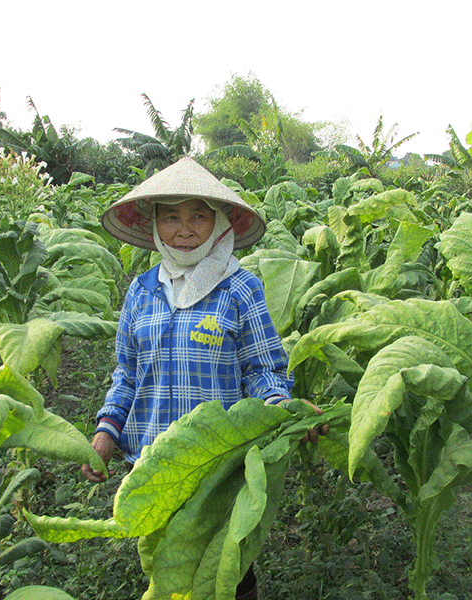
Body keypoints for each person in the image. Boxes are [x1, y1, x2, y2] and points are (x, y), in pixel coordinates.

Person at [81, 156, 323, 600]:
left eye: (198, 215)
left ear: (219, 223)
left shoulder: (240, 288)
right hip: (152, 459)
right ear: (154, 224)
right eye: (171, 216)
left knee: (225, 568)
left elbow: (263, 368)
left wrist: (284, 408)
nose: (184, 229)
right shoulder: (142, 290)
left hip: (221, 463)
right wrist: (106, 431)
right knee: (166, 564)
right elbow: (127, 373)